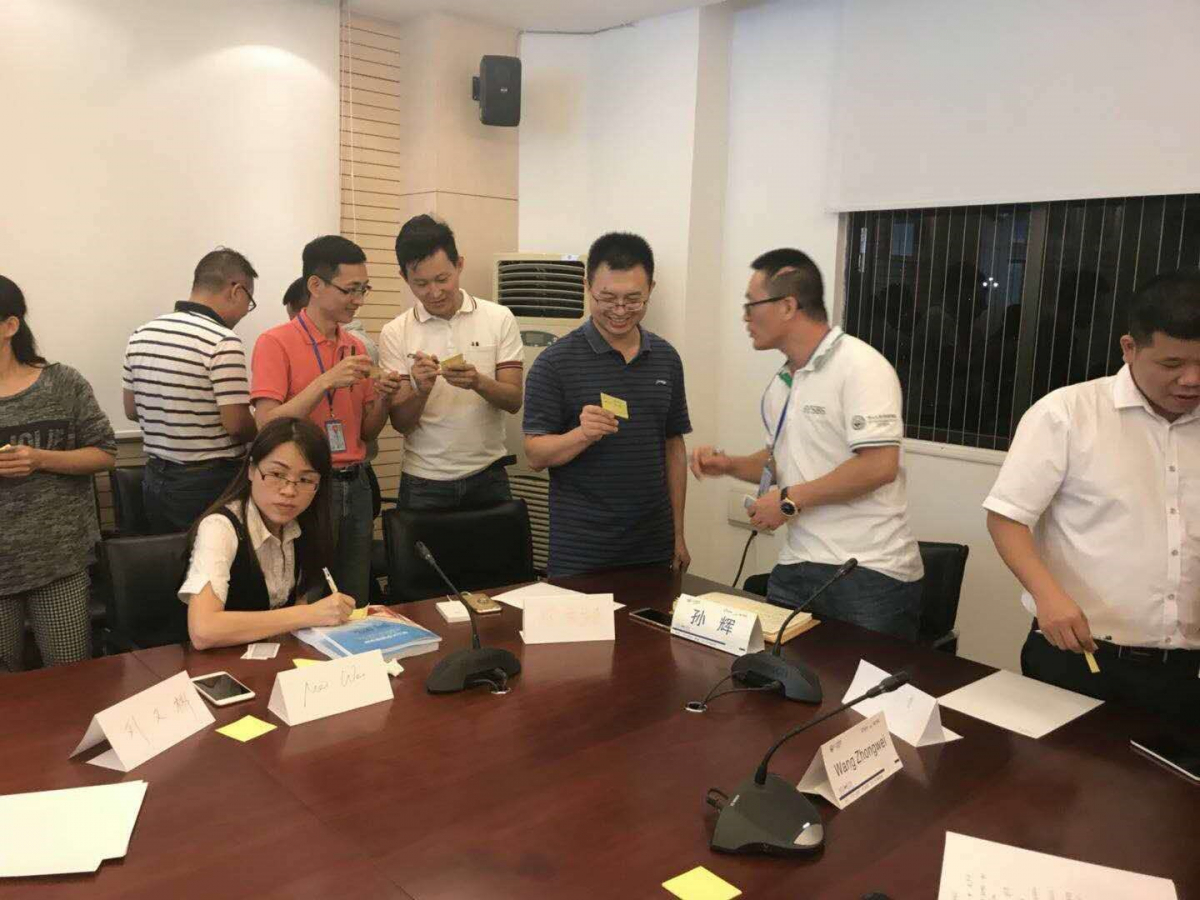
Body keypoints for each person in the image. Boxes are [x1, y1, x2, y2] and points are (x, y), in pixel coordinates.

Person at [985, 268, 1200, 718]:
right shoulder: (1068, 414)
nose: (1191, 380)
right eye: (1172, 365)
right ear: (1129, 348)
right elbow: (1007, 517)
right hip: (1081, 655)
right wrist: (1047, 596)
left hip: (1186, 671)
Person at [690, 249, 924, 640]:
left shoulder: (860, 366)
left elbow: (879, 465)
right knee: (773, 674)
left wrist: (787, 501)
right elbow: (781, 461)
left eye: (751, 305)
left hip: (867, 574)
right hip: (797, 566)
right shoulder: (784, 382)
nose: (745, 317)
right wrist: (728, 464)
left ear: (787, 306)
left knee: (855, 682)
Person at [523, 232, 691, 577]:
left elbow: (673, 444)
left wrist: (678, 532)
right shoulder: (554, 363)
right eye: (608, 298)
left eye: (633, 300)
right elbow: (535, 455)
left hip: (653, 545)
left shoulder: (666, 358)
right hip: (581, 551)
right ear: (587, 287)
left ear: (651, 289)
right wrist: (582, 435)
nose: (620, 311)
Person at [250, 236, 401, 606]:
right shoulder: (275, 342)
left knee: (354, 595)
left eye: (364, 289)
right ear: (315, 286)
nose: (358, 300)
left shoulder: (356, 346)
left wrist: (384, 397)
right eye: (350, 290)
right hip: (307, 486)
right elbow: (266, 424)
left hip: (356, 482)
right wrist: (325, 381)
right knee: (306, 594)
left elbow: (366, 431)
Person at [0, 275, 116, 670]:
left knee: (72, 678)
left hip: (60, 562)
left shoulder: (62, 383)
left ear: (10, 326)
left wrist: (39, 459)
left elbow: (105, 453)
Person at [380, 215, 524, 510]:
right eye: (420, 283)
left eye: (442, 279)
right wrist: (421, 390)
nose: (434, 292)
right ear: (404, 278)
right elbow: (401, 424)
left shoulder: (499, 318)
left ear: (459, 264)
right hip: (423, 480)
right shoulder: (395, 331)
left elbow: (513, 401)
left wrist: (478, 382)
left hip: (488, 473)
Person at [181, 416, 356, 650]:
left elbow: (297, 604)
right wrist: (309, 614)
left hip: (273, 656)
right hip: (215, 663)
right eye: (277, 474)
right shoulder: (219, 527)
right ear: (252, 470)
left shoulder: (305, 524)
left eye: (305, 479)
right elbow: (204, 630)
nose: (289, 491)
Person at [123, 248, 258, 532]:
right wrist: (264, 422)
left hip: (155, 477)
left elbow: (132, 410)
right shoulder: (222, 341)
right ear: (236, 290)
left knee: (170, 555)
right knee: (212, 556)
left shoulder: (141, 335)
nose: (246, 312)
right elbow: (236, 425)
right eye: (249, 302)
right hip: (207, 482)